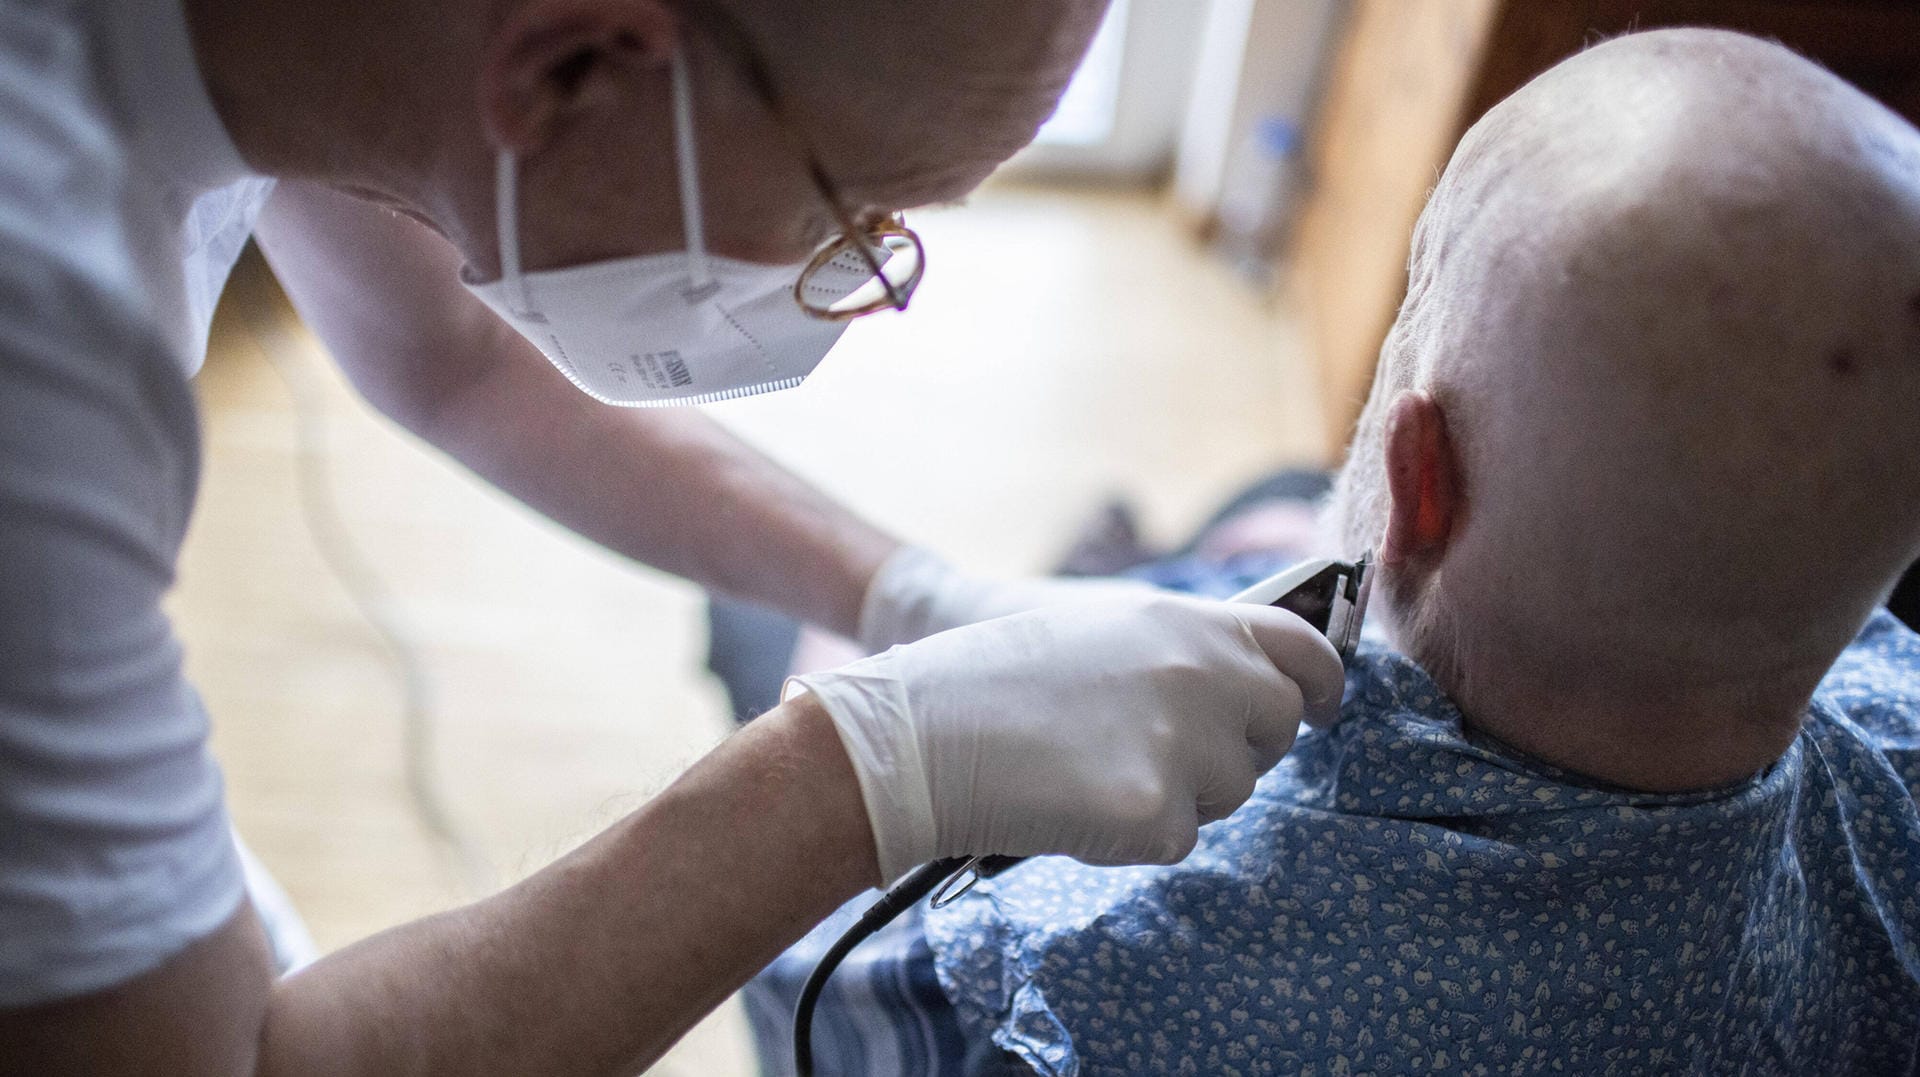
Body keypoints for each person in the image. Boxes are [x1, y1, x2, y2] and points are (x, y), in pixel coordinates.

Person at [0, 0, 1353, 1071]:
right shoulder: (34, 365)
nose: (852, 273)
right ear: (580, 63)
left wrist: (908, 594)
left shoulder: (335, 44)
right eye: (847, 215)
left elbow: (450, 354)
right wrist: (871, 768)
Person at [745, 28, 1920, 1075]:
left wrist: (867, 663)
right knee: (1277, 504)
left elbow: (809, 985)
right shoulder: (1896, 753)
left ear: (1420, 482)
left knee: (755, 628)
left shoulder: (1076, 969)